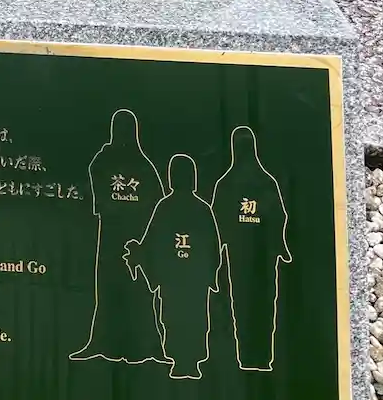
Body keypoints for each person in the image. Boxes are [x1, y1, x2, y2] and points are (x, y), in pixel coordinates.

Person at [71, 109, 167, 366]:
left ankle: (142, 346)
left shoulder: (112, 161)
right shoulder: (137, 164)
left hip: (126, 238)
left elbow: (157, 205)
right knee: (114, 288)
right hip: (122, 237)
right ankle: (107, 344)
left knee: (133, 290)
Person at [124, 154, 224, 380]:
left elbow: (151, 243)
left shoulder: (166, 207)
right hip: (194, 278)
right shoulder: (201, 208)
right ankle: (187, 362)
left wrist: (141, 253)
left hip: (174, 277)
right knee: (193, 317)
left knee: (175, 317)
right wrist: (210, 272)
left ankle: (183, 362)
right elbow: (214, 248)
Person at [211, 126, 292, 371]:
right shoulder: (266, 182)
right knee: (264, 302)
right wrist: (278, 245)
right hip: (264, 256)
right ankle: (261, 358)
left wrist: (220, 246)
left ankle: (248, 357)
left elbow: (218, 221)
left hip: (240, 256)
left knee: (243, 302)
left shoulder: (226, 183)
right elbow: (278, 216)